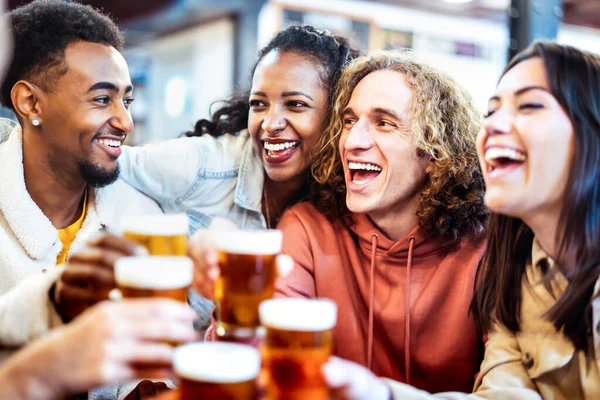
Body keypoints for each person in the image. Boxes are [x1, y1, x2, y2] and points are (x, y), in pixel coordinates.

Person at [195, 50, 488, 394]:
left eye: (384, 123)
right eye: (349, 121)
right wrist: (235, 295)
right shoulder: (309, 228)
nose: (352, 142)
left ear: (435, 152)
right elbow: (256, 365)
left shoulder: (487, 246)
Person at [320, 41, 600, 400]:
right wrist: (378, 393)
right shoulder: (516, 263)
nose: (494, 125)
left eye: (529, 106)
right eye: (493, 111)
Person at [117, 25, 359, 232]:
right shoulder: (203, 163)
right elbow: (105, 166)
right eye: (259, 104)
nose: (270, 124)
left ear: (337, 114)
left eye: (295, 104)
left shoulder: (346, 191)